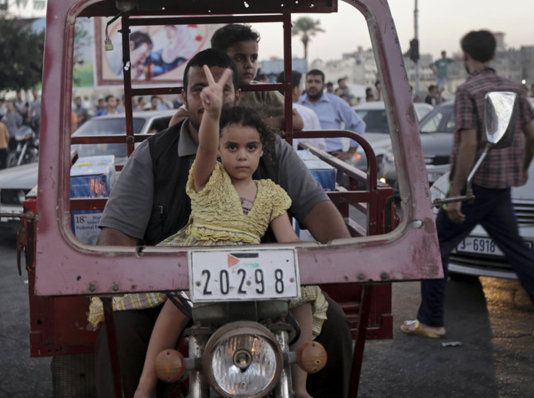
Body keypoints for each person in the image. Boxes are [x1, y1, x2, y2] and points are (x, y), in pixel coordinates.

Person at [94, 48, 352, 398]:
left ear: (238, 95)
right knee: (118, 329)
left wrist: (343, 253)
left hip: (264, 286)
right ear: (183, 97)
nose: (210, 96)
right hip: (176, 282)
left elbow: (315, 210)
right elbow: (116, 236)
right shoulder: (156, 154)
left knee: (334, 326)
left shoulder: (272, 150)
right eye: (200, 87)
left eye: (222, 89)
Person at [401, 30, 534, 341]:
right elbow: (533, 136)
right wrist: (522, 169)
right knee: (519, 253)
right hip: (500, 188)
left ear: (466, 55)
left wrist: (455, 194)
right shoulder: (512, 88)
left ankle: (430, 321)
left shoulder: (469, 90)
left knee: (437, 246)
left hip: (476, 187)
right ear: (493, 54)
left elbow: (468, 143)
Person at [210, 24, 303, 131]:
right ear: (219, 59)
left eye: (253, 58)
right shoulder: (210, 92)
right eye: (240, 58)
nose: (249, 65)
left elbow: (297, 122)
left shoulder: (264, 92)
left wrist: (264, 123)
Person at [299, 69, 366, 160]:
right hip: (304, 156)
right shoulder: (298, 104)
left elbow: (359, 125)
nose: (313, 85)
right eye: (310, 81)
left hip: (332, 156)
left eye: (317, 82)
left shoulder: (336, 102)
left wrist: (350, 153)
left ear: (323, 85)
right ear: (305, 84)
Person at [276, 70, 325, 150]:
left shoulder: (269, 110)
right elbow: (320, 146)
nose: (302, 89)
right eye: (301, 85)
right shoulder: (308, 113)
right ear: (295, 90)